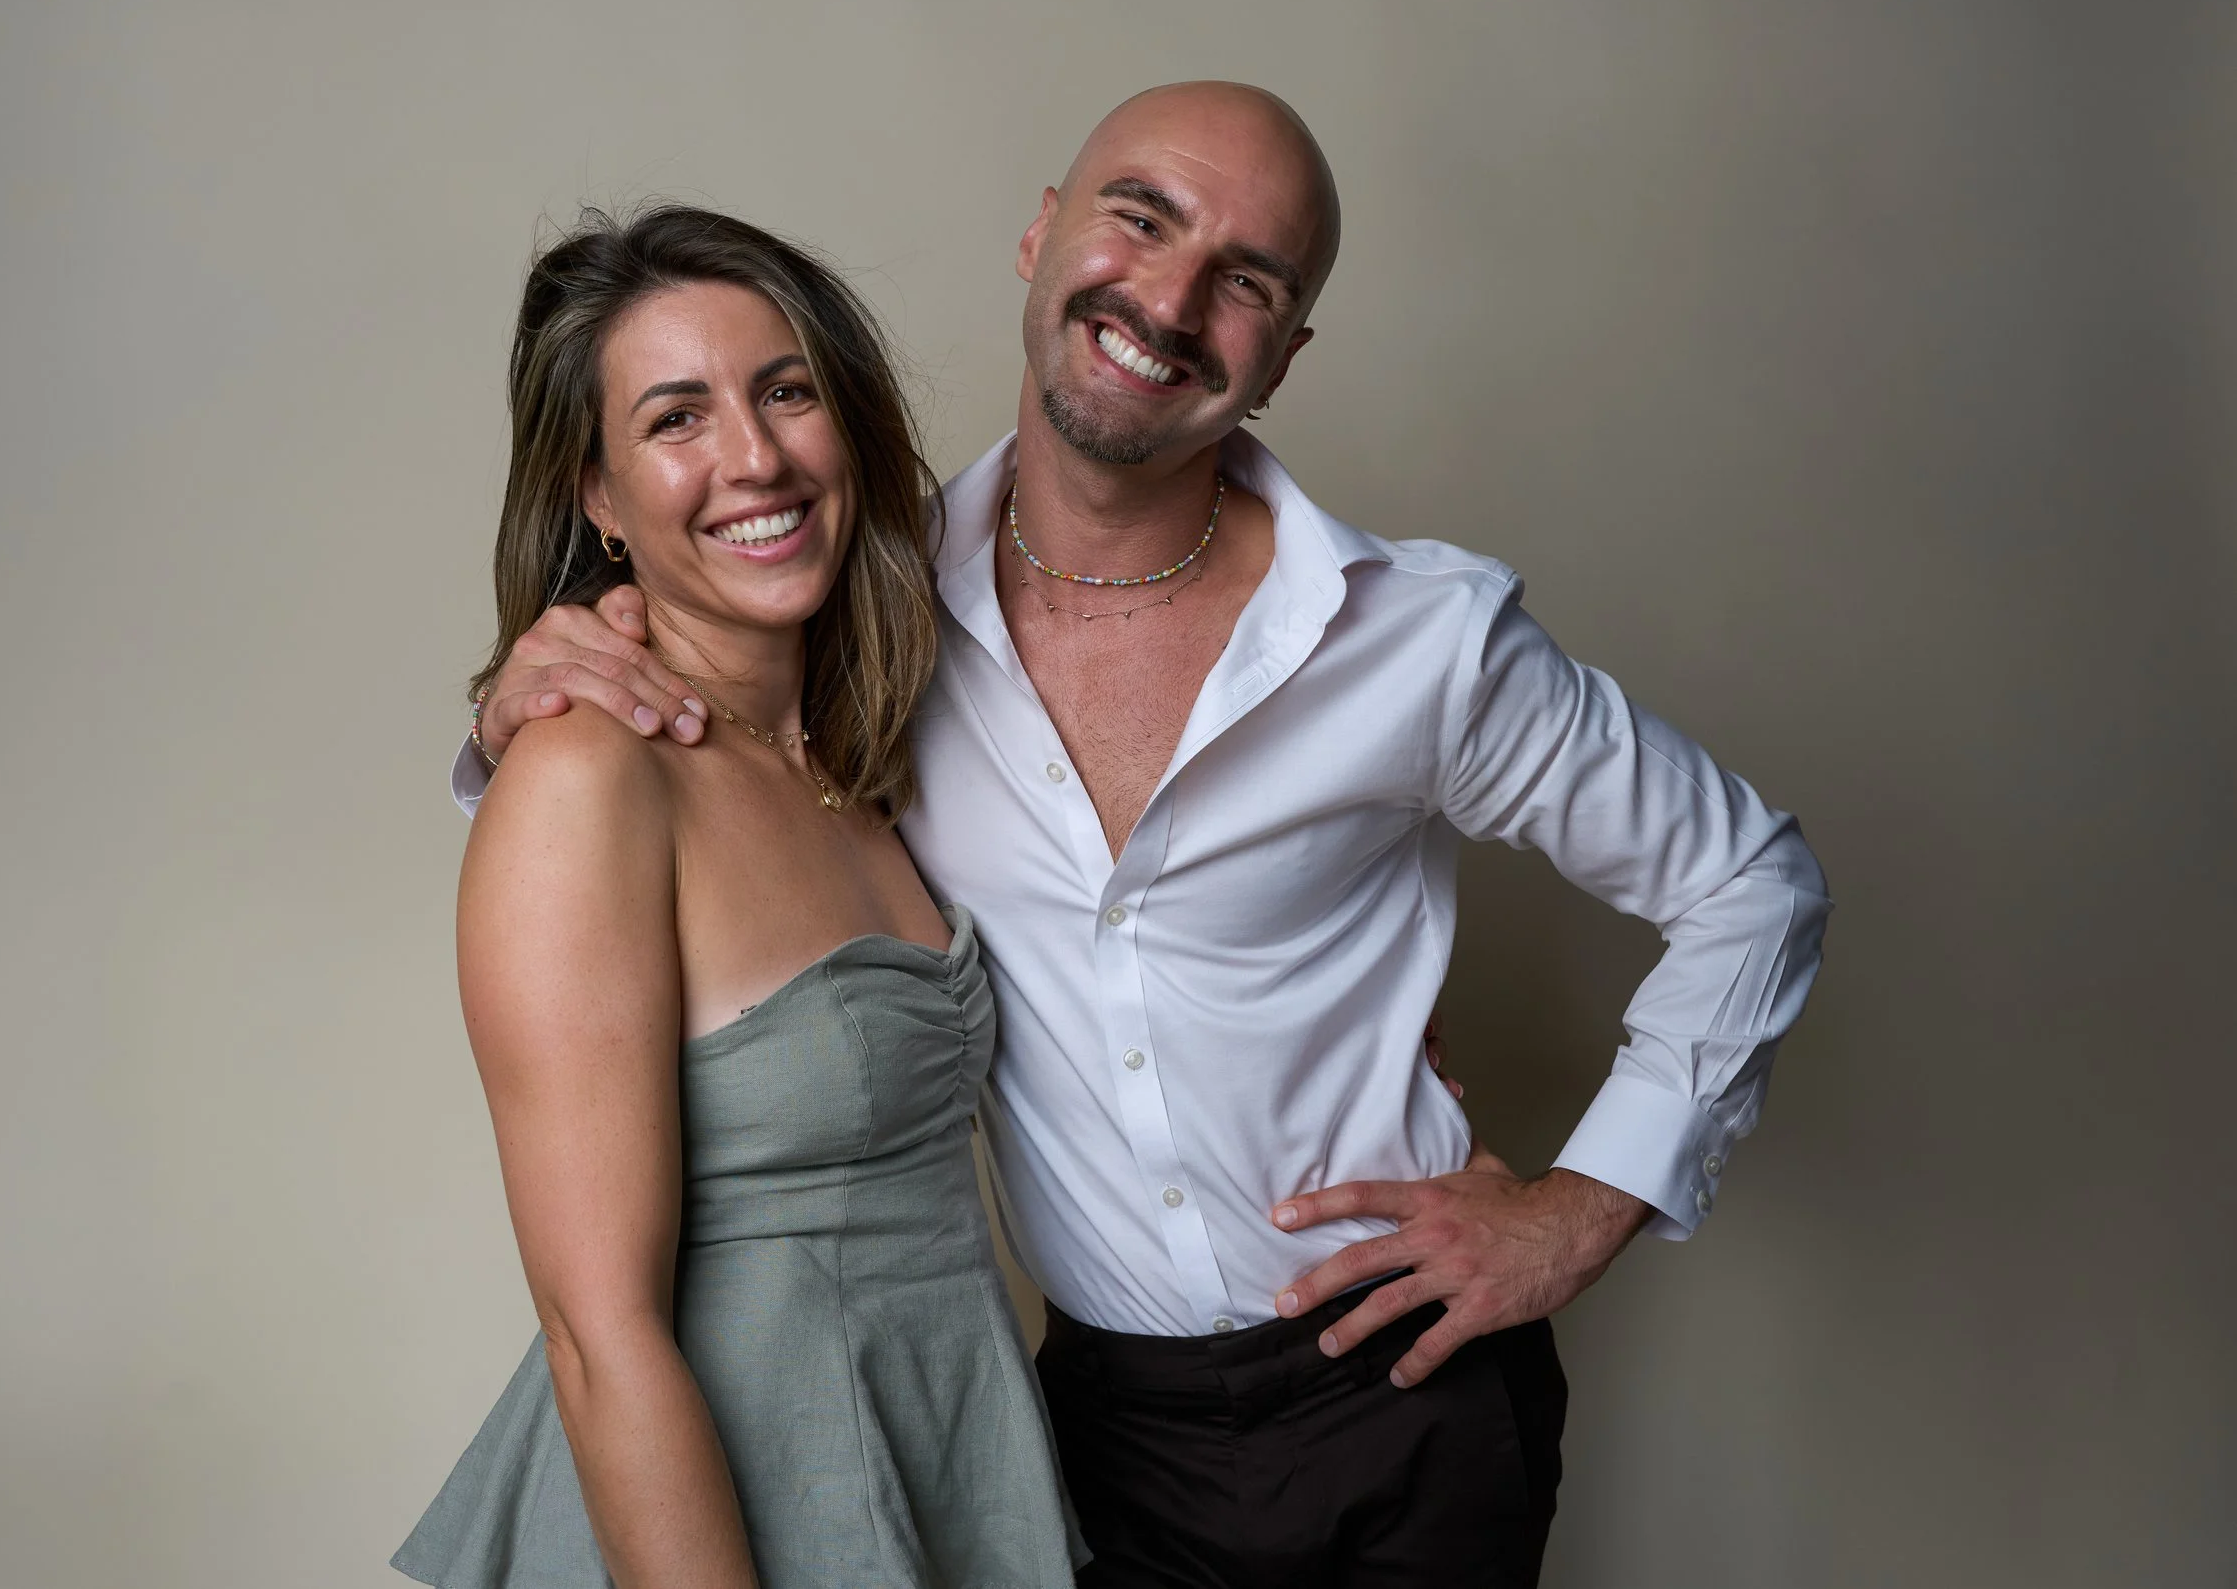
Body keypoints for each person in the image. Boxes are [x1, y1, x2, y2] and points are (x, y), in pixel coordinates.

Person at [463, 84, 1831, 1586]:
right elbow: (665, 813)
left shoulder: (1421, 641)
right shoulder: (881, 613)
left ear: (1285, 353)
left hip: (1409, 1403)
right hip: (1098, 1436)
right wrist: (529, 703)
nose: (1171, 303)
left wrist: (1582, 1208)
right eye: (1141, 219)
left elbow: (1753, 882)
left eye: (1249, 281)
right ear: (1042, 234)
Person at [392, 206, 1085, 1588]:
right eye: (675, 418)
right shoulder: (588, 775)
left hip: (938, 1470)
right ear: (597, 496)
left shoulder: (863, 757)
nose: (755, 457)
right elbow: (598, 1335)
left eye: (785, 391)